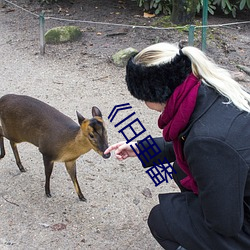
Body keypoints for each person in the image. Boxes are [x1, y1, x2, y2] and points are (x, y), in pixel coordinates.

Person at [104, 42, 250, 250]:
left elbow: (225, 224)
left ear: (155, 93)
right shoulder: (208, 88)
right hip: (240, 187)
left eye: (143, 97)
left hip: (241, 222)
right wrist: (140, 148)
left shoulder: (207, 142)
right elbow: (187, 139)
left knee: (162, 218)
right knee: (181, 170)